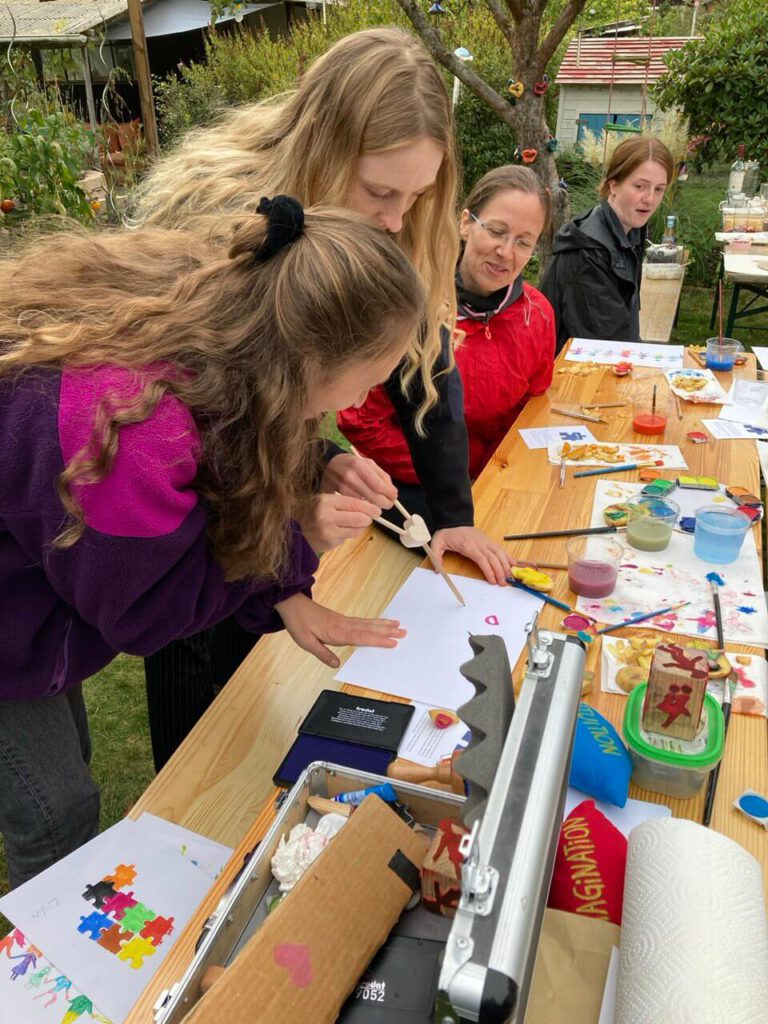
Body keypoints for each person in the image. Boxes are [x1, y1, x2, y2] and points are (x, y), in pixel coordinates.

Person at [0, 198, 425, 888]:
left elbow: (234, 437)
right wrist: (300, 537)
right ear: (313, 359)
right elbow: (146, 612)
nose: (356, 405)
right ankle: (52, 974)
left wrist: (312, 465)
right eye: (370, 378)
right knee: (55, 805)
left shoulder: (232, 308)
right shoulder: (129, 434)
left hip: (32, 578)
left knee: (60, 721)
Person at [133, 27, 513, 770]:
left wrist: (449, 516)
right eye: (379, 193)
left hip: (256, 474)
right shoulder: (219, 225)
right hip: (177, 496)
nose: (398, 221)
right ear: (324, 149)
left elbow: (423, 362)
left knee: (264, 685)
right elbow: (203, 428)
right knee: (196, 695)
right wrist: (292, 502)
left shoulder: (401, 221)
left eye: (418, 196)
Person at [339, 166, 555, 499]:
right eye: (496, 231)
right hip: (410, 485)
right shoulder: (408, 306)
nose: (506, 253)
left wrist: (494, 475)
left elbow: (529, 409)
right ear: (466, 223)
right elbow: (359, 420)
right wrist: (452, 475)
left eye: (524, 243)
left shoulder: (537, 314)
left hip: (495, 481)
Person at [539, 136, 674, 353]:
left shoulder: (630, 227)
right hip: (572, 372)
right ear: (613, 185)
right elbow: (605, 348)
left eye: (659, 189)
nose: (650, 199)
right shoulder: (590, 251)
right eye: (640, 186)